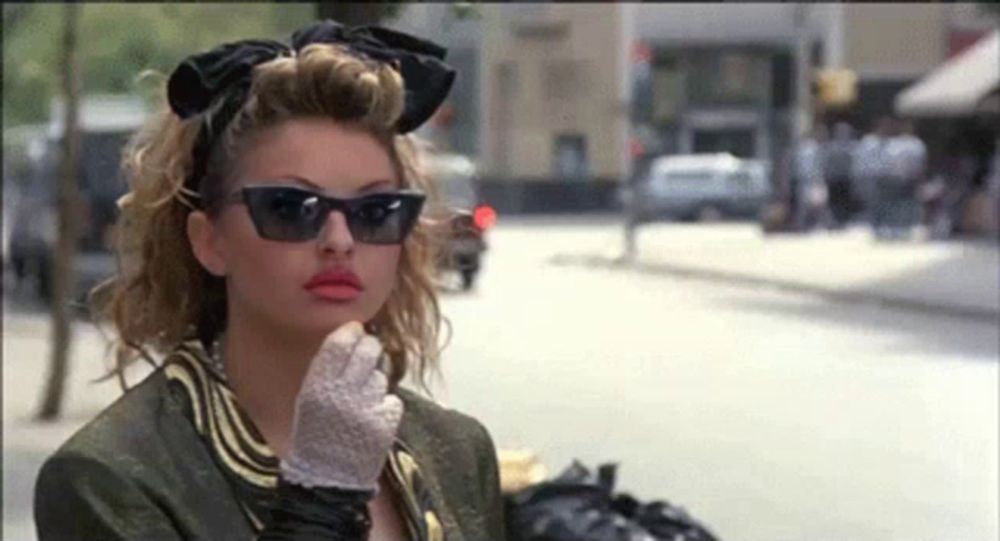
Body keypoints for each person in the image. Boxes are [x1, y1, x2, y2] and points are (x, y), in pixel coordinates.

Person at [33, 20, 505, 541]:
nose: (340, 240)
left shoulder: (458, 452)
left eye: (375, 211)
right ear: (210, 240)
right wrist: (320, 500)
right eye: (290, 207)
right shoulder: (110, 477)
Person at [881, 119, 926, 240]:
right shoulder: (900, 143)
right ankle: (898, 228)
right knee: (899, 204)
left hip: (905, 178)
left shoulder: (910, 144)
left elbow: (920, 163)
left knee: (904, 204)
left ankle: (902, 228)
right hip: (900, 178)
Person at [822, 122, 856, 228]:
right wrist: (825, 176)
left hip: (846, 178)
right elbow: (826, 163)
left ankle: (844, 220)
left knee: (845, 200)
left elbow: (854, 164)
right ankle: (834, 220)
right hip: (833, 179)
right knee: (834, 201)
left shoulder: (851, 147)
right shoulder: (830, 147)